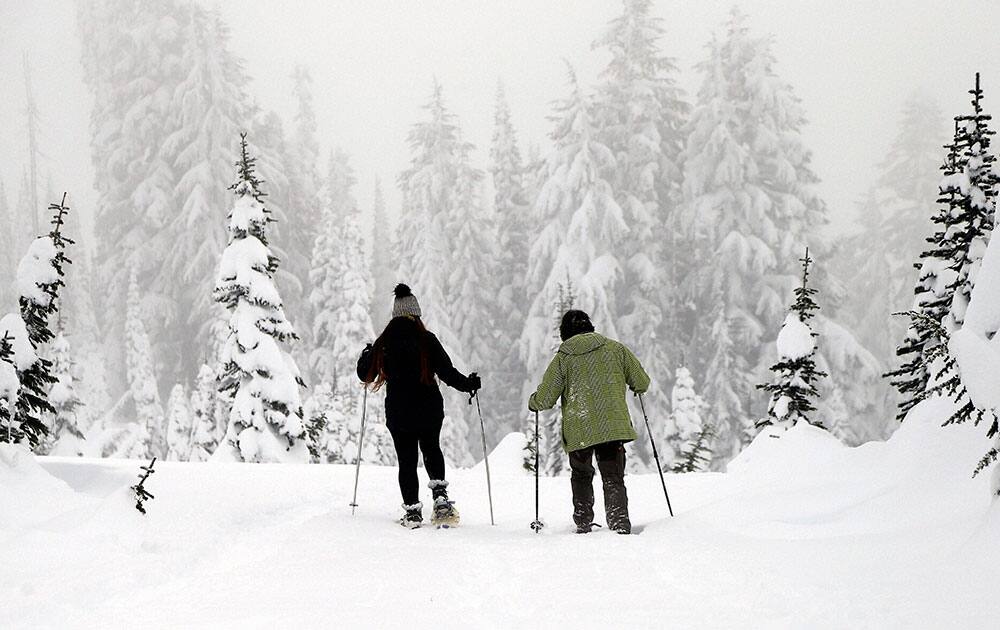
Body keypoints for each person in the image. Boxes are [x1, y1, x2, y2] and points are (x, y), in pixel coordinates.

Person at [357, 284, 481, 528]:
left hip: (398, 411)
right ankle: (441, 501)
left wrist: (366, 354)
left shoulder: (384, 342)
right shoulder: (426, 339)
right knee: (432, 450)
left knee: (407, 460)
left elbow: (365, 375)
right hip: (429, 409)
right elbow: (448, 373)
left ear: (395, 315)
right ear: (416, 314)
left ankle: (413, 512)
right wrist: (470, 384)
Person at [527, 310, 650, 534]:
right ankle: (619, 523)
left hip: (579, 428)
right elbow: (641, 381)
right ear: (591, 327)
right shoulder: (617, 349)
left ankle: (583, 523)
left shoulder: (563, 359)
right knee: (613, 477)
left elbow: (545, 399)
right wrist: (635, 387)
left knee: (582, 476)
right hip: (612, 427)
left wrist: (534, 402)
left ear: (565, 333)